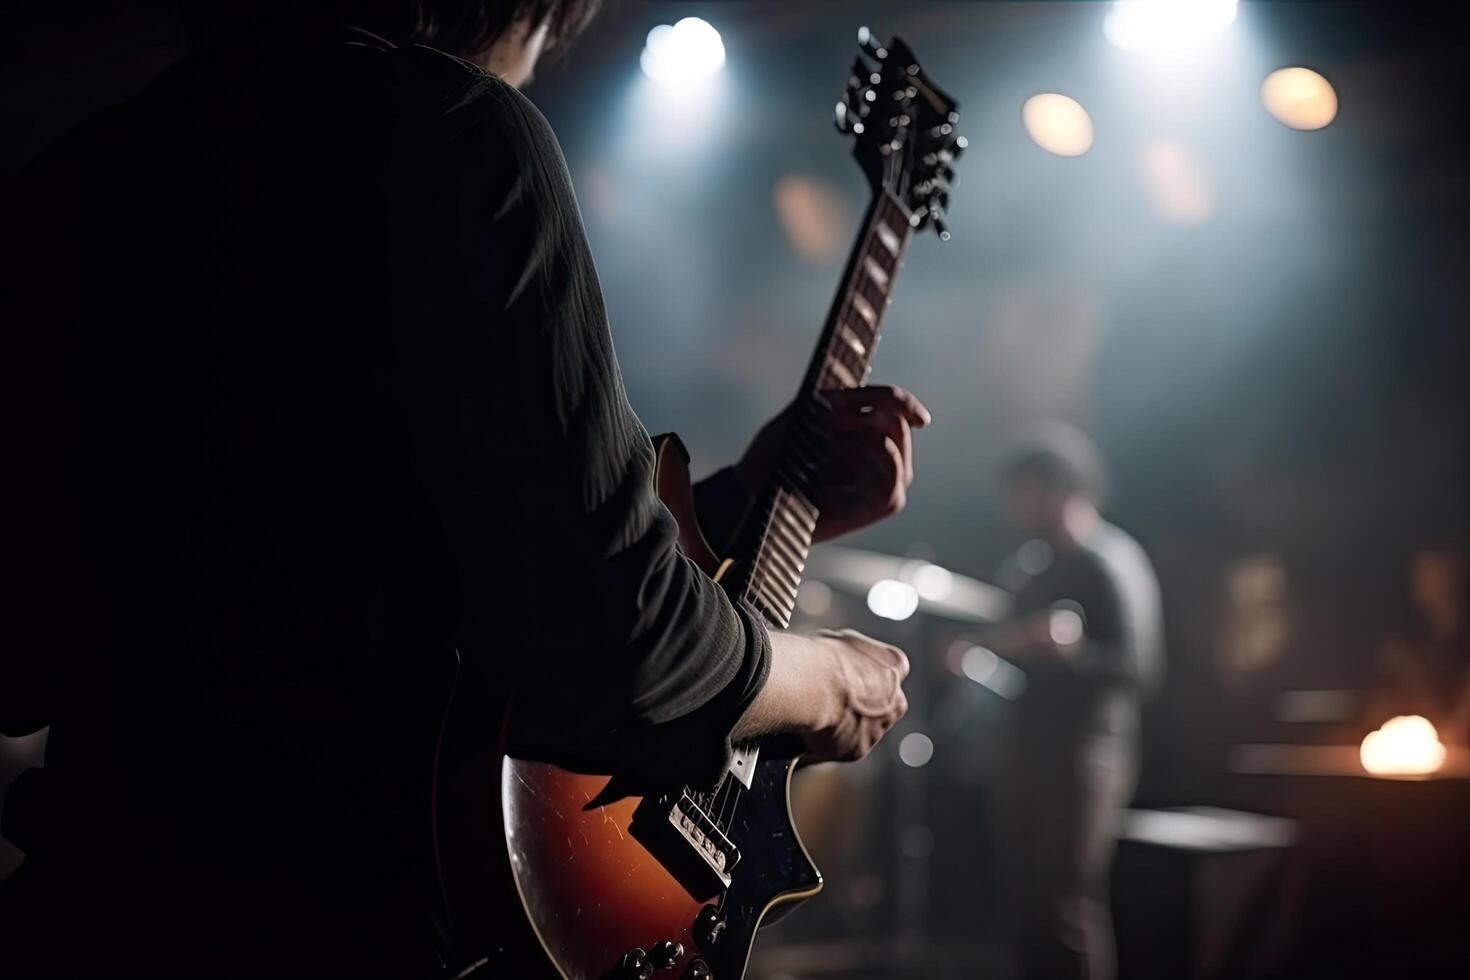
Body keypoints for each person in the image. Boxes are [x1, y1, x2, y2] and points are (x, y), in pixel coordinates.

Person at [0, 3, 924, 974]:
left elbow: (415, 539)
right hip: (362, 921)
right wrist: (827, 676)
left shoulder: (75, 174)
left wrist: (740, 505)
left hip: (97, 898)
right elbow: (620, 641)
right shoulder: (460, 130)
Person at [986, 422, 1163, 980]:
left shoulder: (1109, 561)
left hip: (1088, 754)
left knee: (1067, 902)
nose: (1018, 506)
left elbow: (1138, 669)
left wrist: (1073, 652)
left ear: (1063, 489)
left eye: (1027, 491)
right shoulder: (1033, 567)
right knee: (1026, 900)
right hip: (1030, 751)